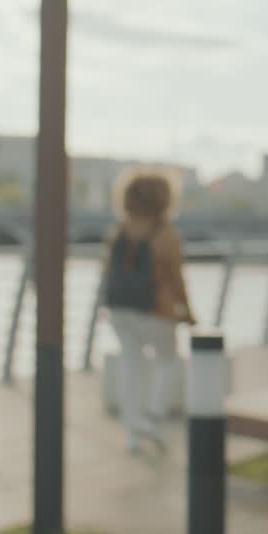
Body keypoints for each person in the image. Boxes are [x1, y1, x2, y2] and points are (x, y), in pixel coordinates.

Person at [102, 169, 196, 455]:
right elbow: (175, 278)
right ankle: (153, 416)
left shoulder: (118, 231)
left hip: (120, 311)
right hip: (156, 311)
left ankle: (132, 432)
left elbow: (107, 272)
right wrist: (187, 312)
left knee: (133, 367)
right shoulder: (165, 234)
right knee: (170, 362)